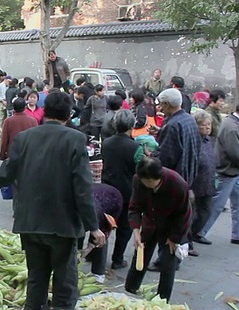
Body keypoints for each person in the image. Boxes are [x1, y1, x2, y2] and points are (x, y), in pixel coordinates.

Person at [0, 91, 105, 310]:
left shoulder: (25, 138)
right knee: (64, 282)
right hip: (61, 225)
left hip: (29, 221)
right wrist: (93, 226)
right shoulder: (75, 139)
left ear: (45, 111)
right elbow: (83, 188)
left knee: (37, 278)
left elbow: (7, 172)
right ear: (68, 113)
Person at [147, 88, 200, 271]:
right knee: (180, 218)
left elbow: (166, 158)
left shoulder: (173, 125)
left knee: (168, 223)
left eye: (162, 105)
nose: (160, 108)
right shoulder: (189, 120)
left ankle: (167, 261)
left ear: (167, 105)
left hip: (174, 180)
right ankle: (175, 254)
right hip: (188, 176)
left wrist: (151, 156)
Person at [125, 157, 191, 301]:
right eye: (144, 181)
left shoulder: (177, 184)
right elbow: (135, 206)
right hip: (150, 221)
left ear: (160, 176)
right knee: (141, 254)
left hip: (171, 226)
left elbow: (183, 215)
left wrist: (174, 238)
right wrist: (136, 231)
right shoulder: (138, 180)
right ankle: (131, 287)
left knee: (168, 262)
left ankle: (162, 298)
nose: (147, 185)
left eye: (150, 182)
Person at [198, 98, 239, 246]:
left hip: (234, 171)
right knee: (216, 204)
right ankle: (199, 231)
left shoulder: (234, 123)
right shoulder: (232, 126)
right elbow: (237, 155)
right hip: (228, 171)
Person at [101, 110, 139, 269]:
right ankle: (118, 259)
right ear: (132, 125)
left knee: (104, 224)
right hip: (126, 191)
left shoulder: (106, 143)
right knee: (125, 227)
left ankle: (95, 255)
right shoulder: (135, 146)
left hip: (108, 189)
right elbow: (138, 170)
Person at [81, 183, 123, 283]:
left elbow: (103, 232)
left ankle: (98, 273)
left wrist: (90, 246)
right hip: (94, 194)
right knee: (76, 238)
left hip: (113, 199)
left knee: (100, 239)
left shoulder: (95, 215)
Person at [188, 110, 215, 252]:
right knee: (191, 214)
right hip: (195, 183)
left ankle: (195, 234)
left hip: (208, 183)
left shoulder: (209, 140)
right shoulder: (193, 141)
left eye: (209, 124)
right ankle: (188, 242)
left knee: (207, 211)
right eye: (204, 125)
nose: (208, 127)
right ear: (197, 126)